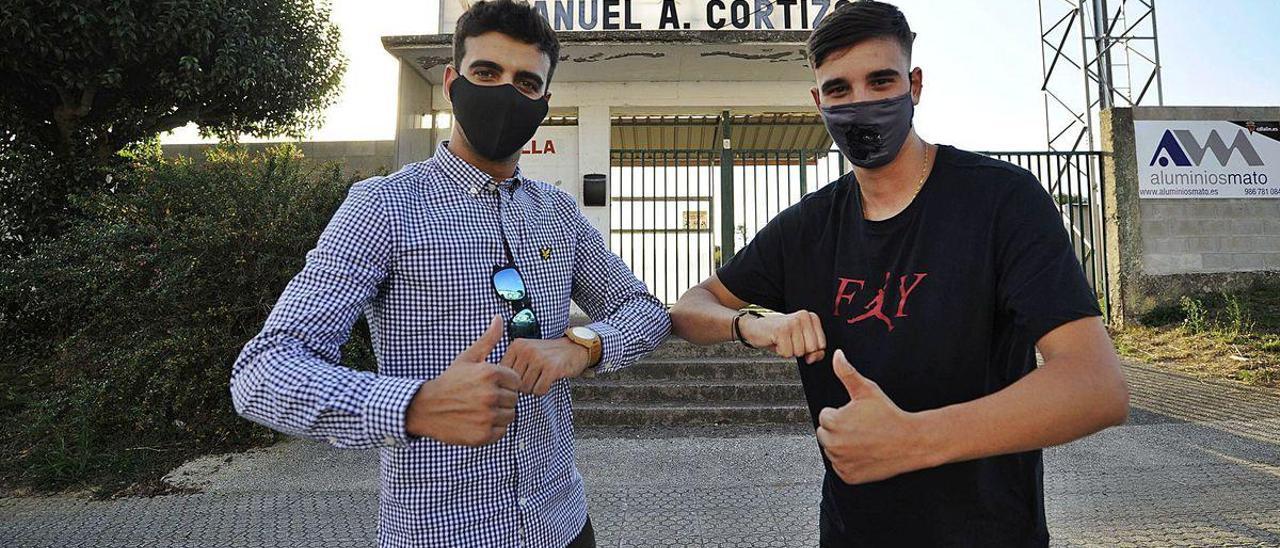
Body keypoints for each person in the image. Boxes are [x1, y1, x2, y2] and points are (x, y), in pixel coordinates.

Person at [669, 1, 1129, 546]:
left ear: (914, 84)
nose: (860, 103)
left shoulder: (1001, 201)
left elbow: (1096, 386)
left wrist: (915, 440)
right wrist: (754, 325)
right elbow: (689, 308)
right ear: (818, 101)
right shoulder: (805, 229)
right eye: (839, 90)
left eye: (880, 80)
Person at [229, 1, 670, 546]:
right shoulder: (382, 207)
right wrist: (414, 405)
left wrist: (581, 346)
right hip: (442, 532)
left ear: (544, 102)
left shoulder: (558, 211)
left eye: (527, 82)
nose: (507, 93)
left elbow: (645, 311)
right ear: (451, 82)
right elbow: (262, 373)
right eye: (487, 72)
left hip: (563, 523)